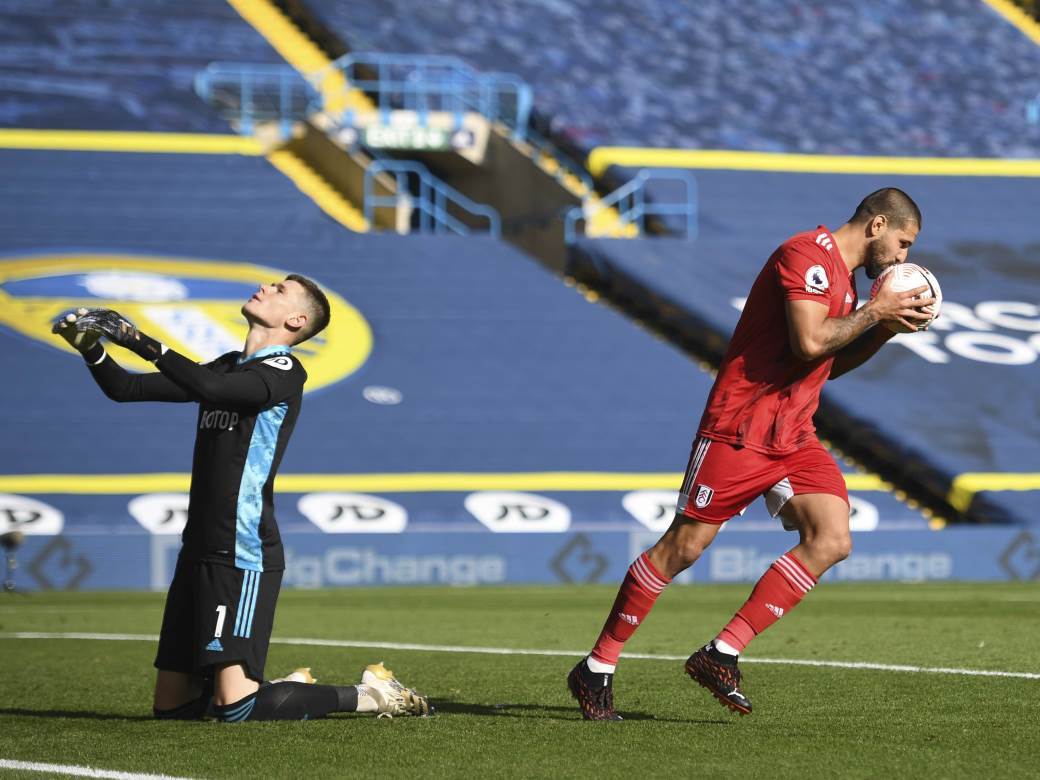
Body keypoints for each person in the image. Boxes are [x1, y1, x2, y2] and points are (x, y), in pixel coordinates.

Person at [568, 188, 935, 720]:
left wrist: (882, 332)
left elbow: (825, 366)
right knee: (684, 549)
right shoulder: (806, 255)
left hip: (793, 435)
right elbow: (810, 342)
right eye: (902, 243)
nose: (903, 257)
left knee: (832, 538)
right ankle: (596, 667)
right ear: (877, 225)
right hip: (740, 429)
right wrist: (877, 311)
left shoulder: (850, 285)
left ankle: (720, 654)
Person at [54, 275, 431, 721]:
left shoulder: (285, 371)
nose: (265, 287)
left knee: (235, 708)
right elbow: (126, 389)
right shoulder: (227, 366)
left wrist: (140, 341)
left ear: (296, 320)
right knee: (171, 709)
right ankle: (278, 690)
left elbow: (215, 392)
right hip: (198, 544)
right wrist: (91, 349)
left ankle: (368, 694)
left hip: (241, 547)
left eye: (279, 290)